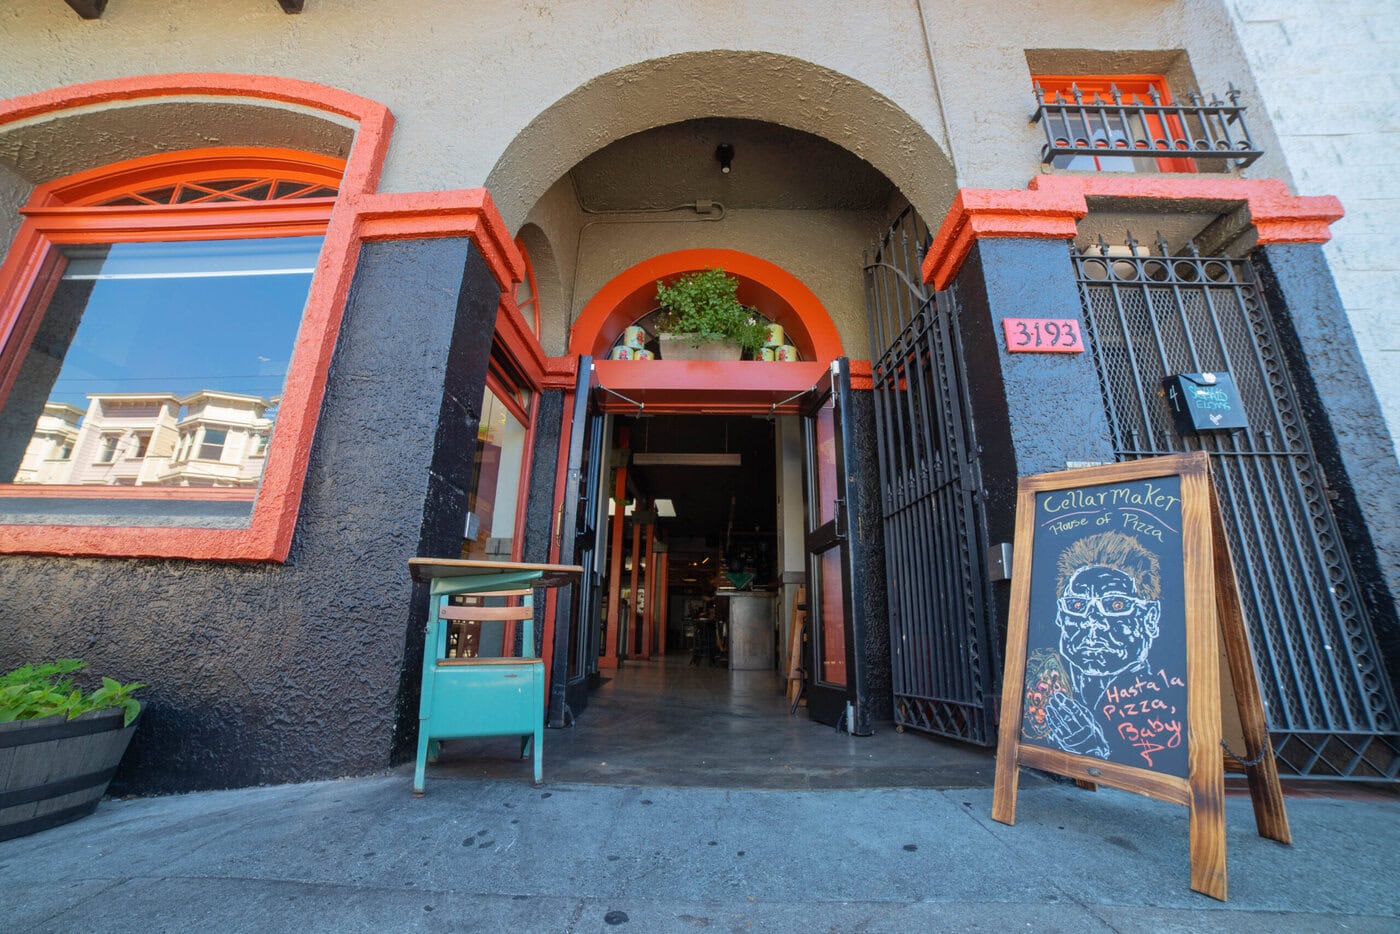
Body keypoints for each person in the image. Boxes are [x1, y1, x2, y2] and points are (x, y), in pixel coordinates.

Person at [1039, 531, 1162, 758]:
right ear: (1060, 616)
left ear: (1150, 618)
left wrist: (1092, 750)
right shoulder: (1043, 681)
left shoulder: (1164, 698)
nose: (1092, 623)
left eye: (1116, 604)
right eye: (1077, 605)